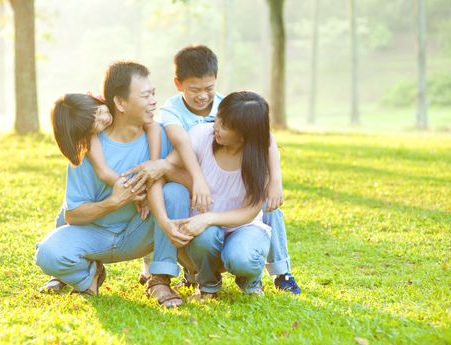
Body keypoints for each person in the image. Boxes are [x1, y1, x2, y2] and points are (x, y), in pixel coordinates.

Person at [126, 45, 301, 294]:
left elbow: (265, 136)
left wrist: (276, 180)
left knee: (268, 205)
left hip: (228, 191)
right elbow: (181, 144)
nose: (203, 96)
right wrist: (191, 178)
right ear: (179, 84)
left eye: (209, 88)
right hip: (189, 178)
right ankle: (176, 273)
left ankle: (277, 272)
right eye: (194, 89)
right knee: (178, 199)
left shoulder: (229, 107)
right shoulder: (174, 113)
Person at [35, 61, 188, 308]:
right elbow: (72, 215)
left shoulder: (163, 134)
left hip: (142, 230)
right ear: (119, 102)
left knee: (177, 193)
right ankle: (89, 275)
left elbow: (191, 185)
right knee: (48, 254)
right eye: (145, 95)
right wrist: (115, 201)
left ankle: (159, 279)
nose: (153, 101)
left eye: (153, 94)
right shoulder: (87, 146)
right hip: (97, 235)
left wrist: (162, 167)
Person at [151, 91, 273, 298]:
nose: (215, 126)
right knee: (204, 237)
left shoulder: (260, 159)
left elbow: (251, 211)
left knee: (242, 258)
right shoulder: (201, 134)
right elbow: (167, 167)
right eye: (218, 118)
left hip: (244, 227)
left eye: (224, 125)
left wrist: (208, 218)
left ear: (243, 136)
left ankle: (250, 281)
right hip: (205, 231)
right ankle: (208, 286)